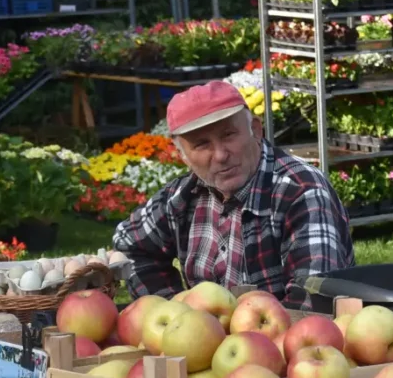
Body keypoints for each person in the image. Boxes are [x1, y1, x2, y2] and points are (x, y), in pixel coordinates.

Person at [114, 81, 355, 307]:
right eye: (202, 144)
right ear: (182, 155)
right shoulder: (183, 196)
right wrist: (171, 313)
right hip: (205, 336)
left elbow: (316, 301)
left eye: (228, 135)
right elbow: (129, 243)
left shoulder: (300, 191)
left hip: (286, 335)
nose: (220, 155)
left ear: (255, 130)